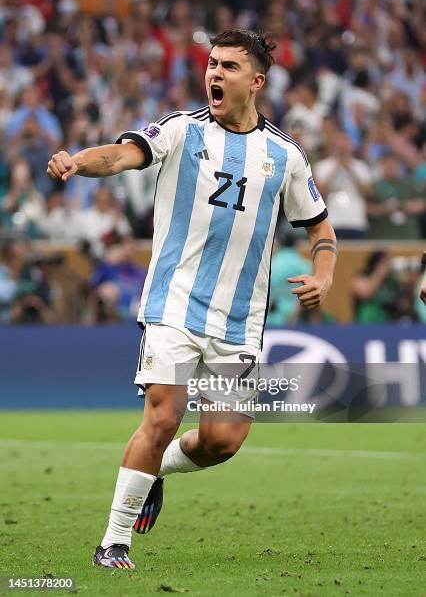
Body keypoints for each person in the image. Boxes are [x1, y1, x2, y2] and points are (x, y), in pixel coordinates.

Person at [47, 29, 337, 571]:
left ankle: (155, 471)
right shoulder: (182, 131)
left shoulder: (285, 155)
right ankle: (113, 543)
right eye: (211, 63)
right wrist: (78, 161)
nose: (214, 73)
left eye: (228, 66)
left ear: (256, 81)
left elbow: (320, 228)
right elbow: (122, 154)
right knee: (163, 415)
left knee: (221, 441)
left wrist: (324, 273)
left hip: (239, 319)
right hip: (174, 305)